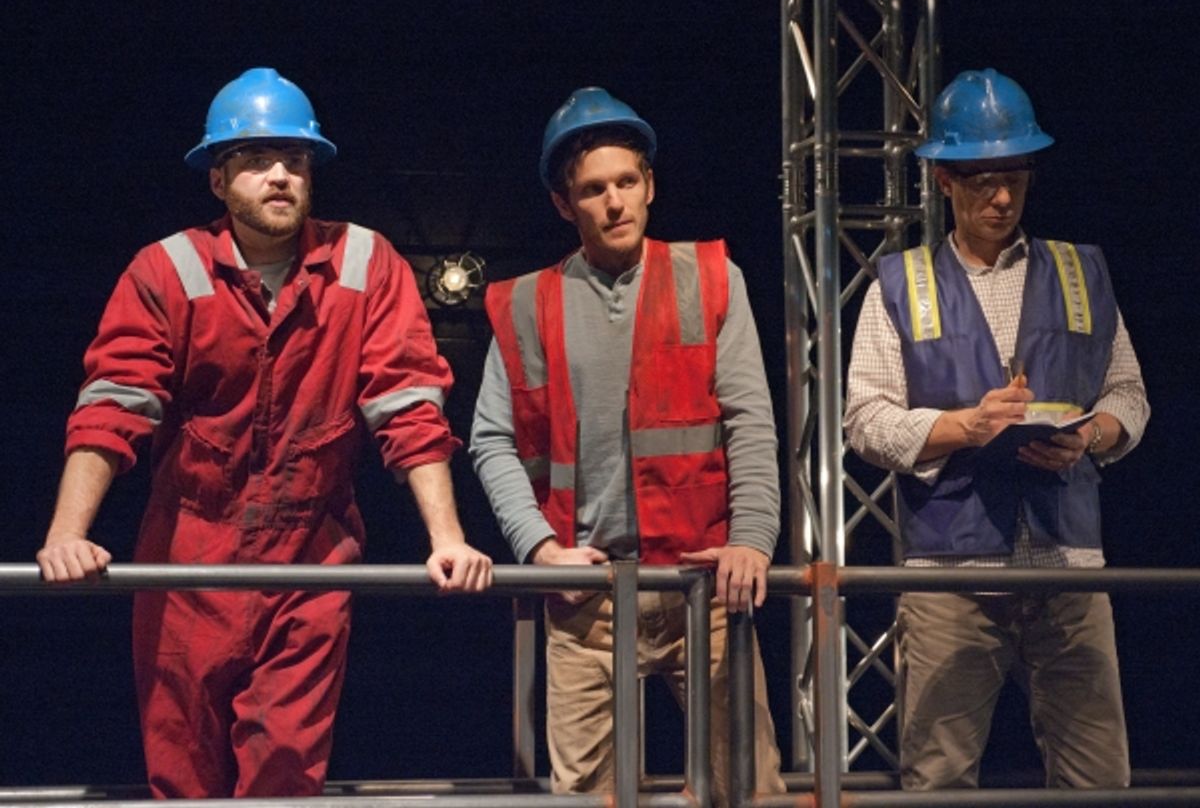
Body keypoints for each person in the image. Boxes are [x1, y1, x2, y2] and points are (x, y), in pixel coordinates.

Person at [35, 67, 493, 798]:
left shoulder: (366, 264)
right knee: (183, 777)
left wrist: (447, 538)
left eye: (296, 160)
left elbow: (407, 406)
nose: (280, 176)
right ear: (217, 180)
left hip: (309, 566)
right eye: (255, 160)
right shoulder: (168, 269)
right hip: (186, 568)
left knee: (284, 779)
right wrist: (66, 533)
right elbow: (115, 403)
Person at [470, 87, 785, 805]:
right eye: (592, 190)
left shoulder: (710, 279)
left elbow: (750, 420)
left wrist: (753, 540)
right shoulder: (526, 303)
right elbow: (488, 439)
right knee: (587, 797)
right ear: (563, 204)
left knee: (746, 789)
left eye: (625, 183)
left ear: (649, 186)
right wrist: (540, 550)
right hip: (589, 599)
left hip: (702, 584)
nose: (613, 202)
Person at [844, 68, 1150, 790]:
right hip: (952, 576)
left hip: (1069, 569)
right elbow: (864, 418)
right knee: (940, 781)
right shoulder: (902, 283)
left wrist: (1092, 437)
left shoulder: (1081, 272)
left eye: (1014, 176)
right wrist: (962, 427)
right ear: (944, 180)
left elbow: (1128, 392)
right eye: (981, 179)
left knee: (1099, 780)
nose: (1002, 197)